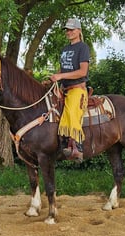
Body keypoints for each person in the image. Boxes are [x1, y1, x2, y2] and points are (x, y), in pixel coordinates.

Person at [48, 18, 90, 163]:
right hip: (64, 89)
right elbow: (63, 68)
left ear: (79, 30)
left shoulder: (83, 47)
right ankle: (61, 145)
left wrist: (61, 76)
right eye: (67, 30)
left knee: (71, 112)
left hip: (77, 89)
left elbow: (82, 72)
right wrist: (53, 78)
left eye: (72, 29)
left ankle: (78, 147)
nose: (69, 32)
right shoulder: (65, 49)